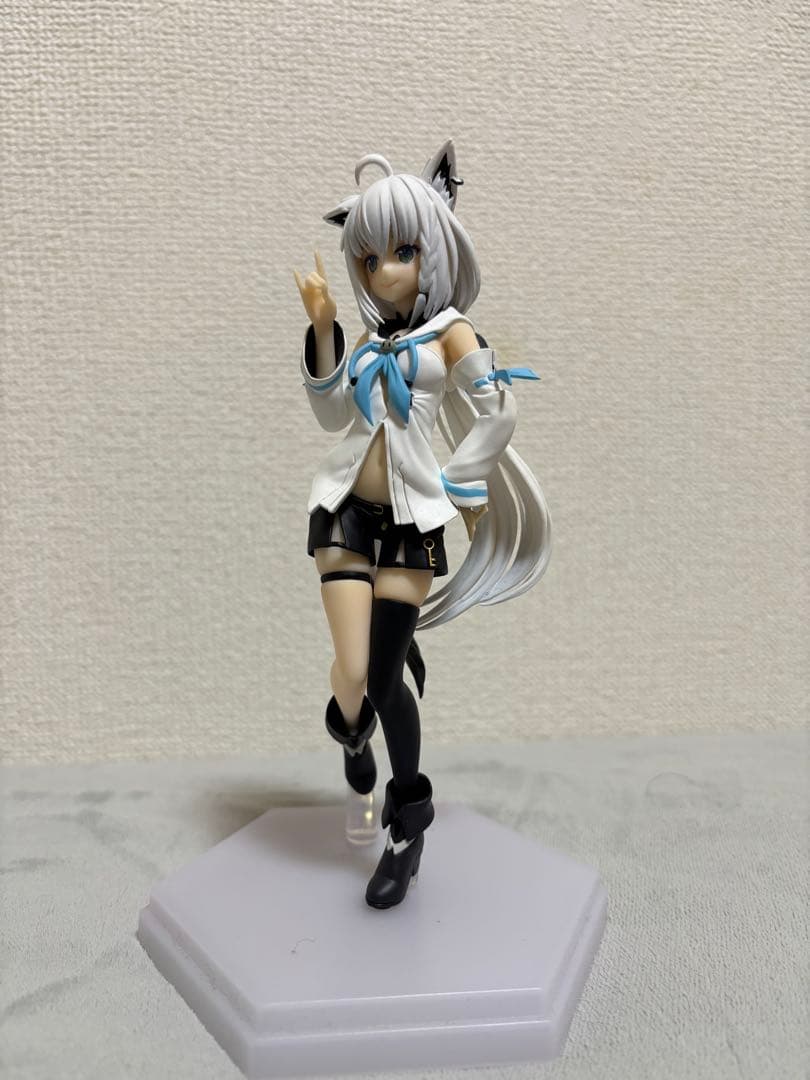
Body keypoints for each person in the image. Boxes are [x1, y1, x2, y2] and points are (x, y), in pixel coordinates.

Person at [294, 140, 551, 909]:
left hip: (413, 520)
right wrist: (323, 327)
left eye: (401, 253)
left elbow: (498, 409)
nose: (385, 272)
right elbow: (332, 414)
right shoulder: (370, 341)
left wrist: (462, 479)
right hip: (346, 507)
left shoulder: (450, 333)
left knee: (382, 677)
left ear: (432, 249)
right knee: (351, 675)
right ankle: (353, 742)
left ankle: (407, 827)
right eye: (370, 258)